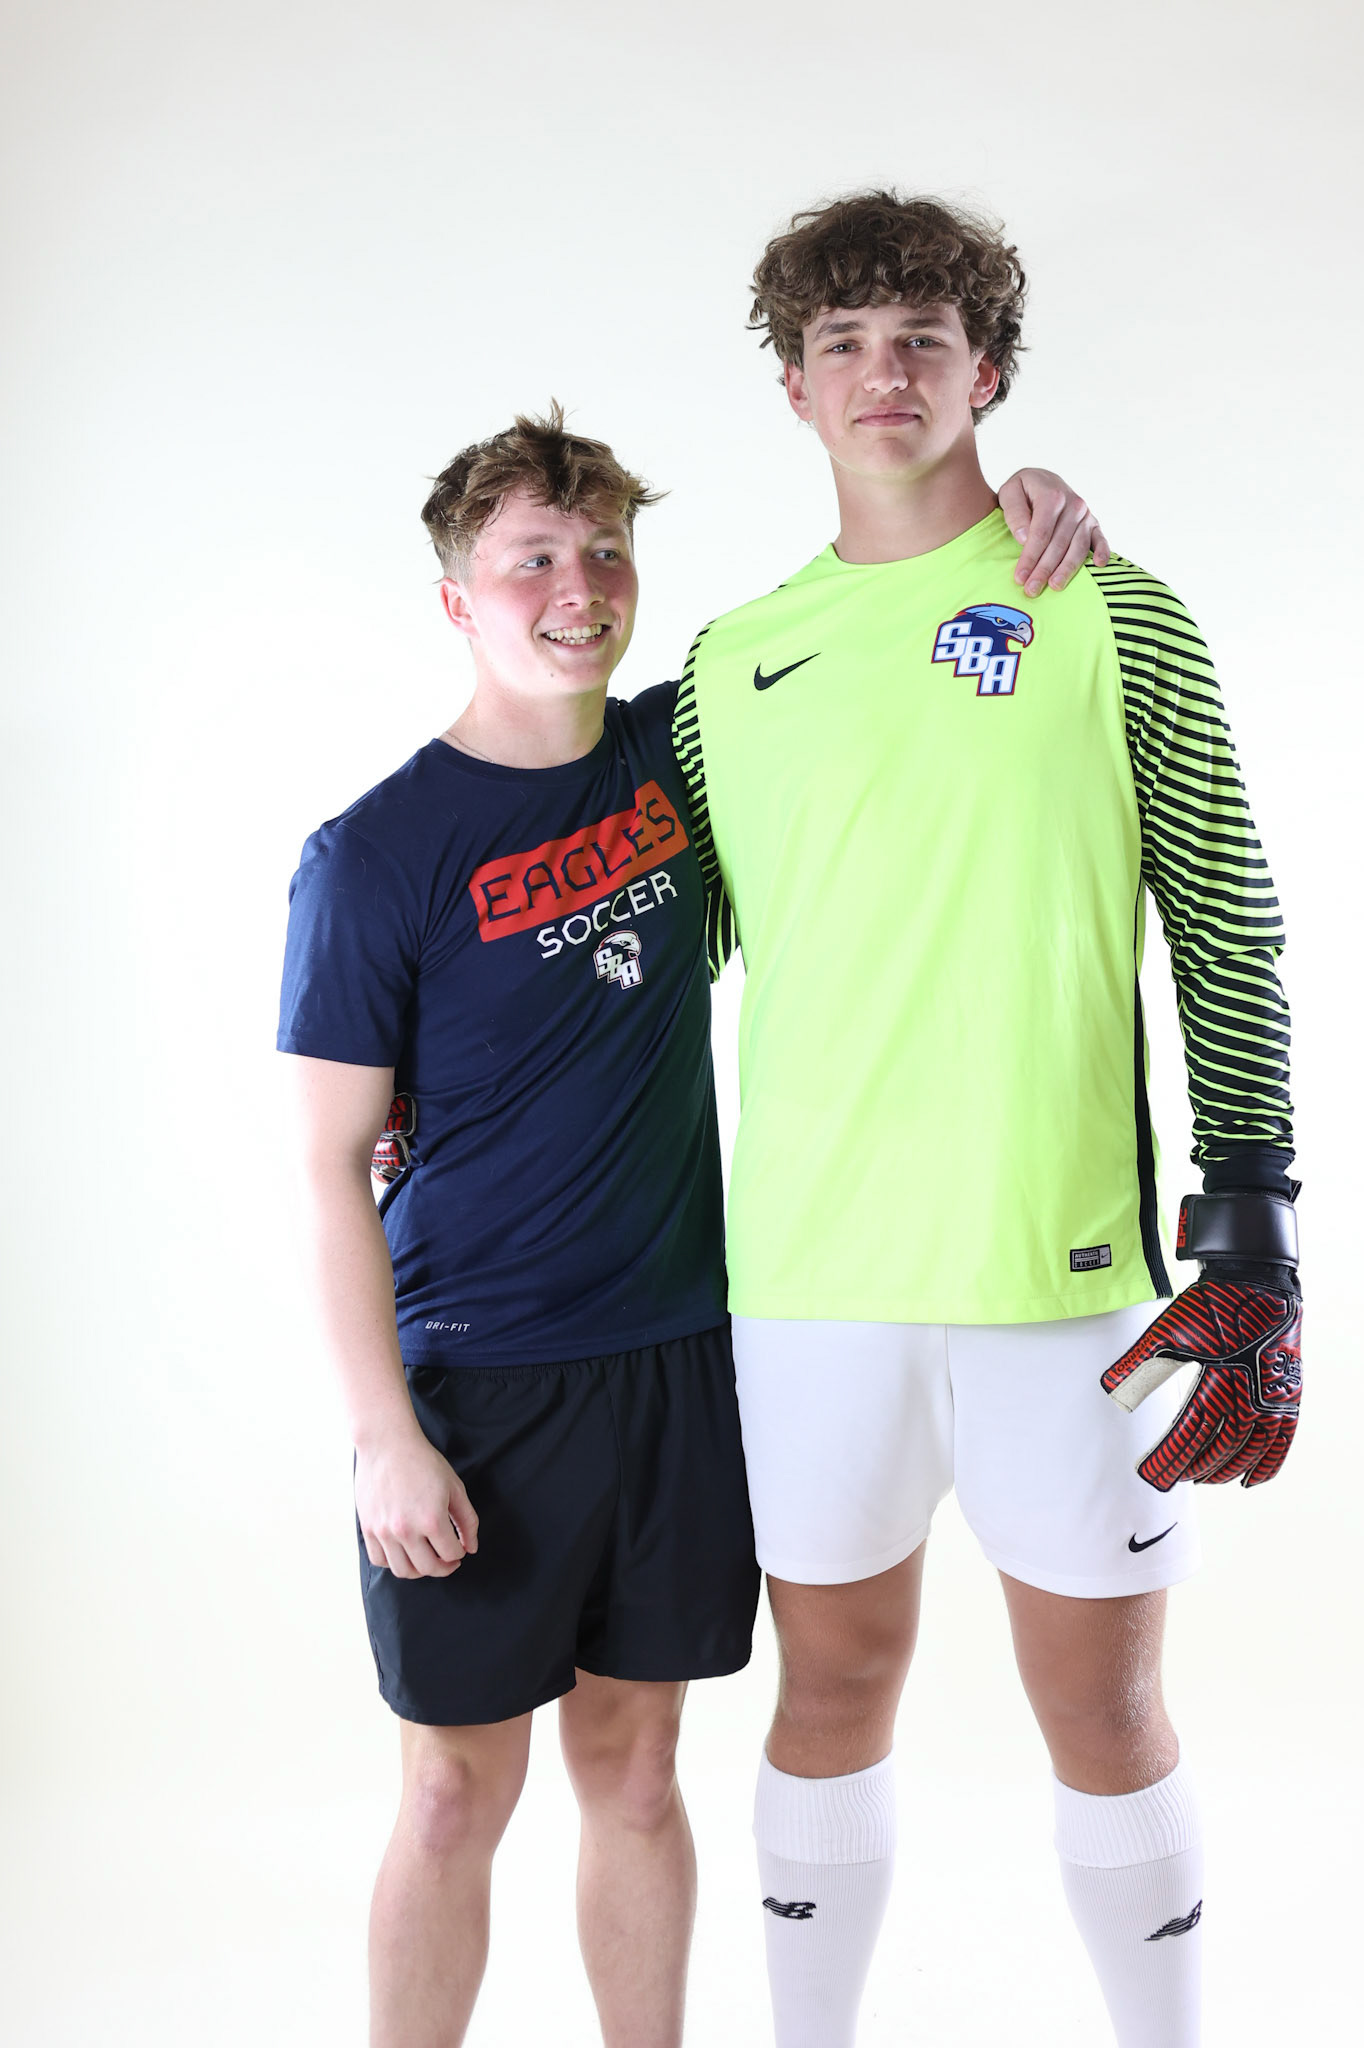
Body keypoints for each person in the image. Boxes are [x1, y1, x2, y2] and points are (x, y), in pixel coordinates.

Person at [278, 402, 1108, 2048]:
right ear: (459, 597)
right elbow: (323, 1167)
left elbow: (879, 673)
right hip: (477, 1386)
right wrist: (383, 1434)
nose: (578, 587)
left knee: (638, 1773)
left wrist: (1014, 513)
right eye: (532, 561)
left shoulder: (686, 750)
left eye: (604, 551)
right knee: (453, 1795)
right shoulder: (370, 857)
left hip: (676, 1358)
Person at [670, 191, 1302, 2048]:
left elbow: (1225, 905)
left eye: (923, 338)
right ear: (794, 390)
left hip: (1065, 1268)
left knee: (1104, 1713)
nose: (886, 370)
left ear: (987, 374)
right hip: (807, 1270)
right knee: (828, 1690)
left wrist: (1252, 1207)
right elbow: (649, 939)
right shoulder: (725, 669)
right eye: (846, 342)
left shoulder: (1113, 608)